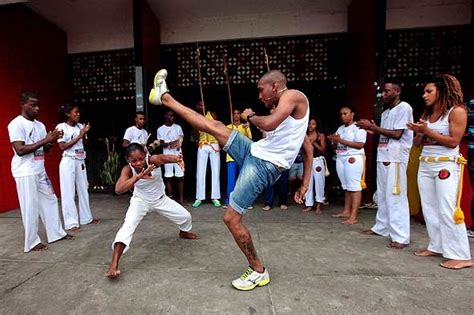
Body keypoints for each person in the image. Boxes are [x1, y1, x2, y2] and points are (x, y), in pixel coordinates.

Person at [149, 69, 312, 291]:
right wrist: (304, 184)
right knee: (214, 126)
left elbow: (269, 124)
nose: (259, 96)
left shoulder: (293, 95)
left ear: (275, 86)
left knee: (231, 218)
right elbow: (307, 148)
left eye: (260, 90)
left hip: (265, 166)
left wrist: (250, 116)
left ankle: (258, 271)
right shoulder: (291, 116)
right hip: (254, 151)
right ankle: (165, 98)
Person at [407, 74, 473, 269]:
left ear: (442, 91)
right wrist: (418, 132)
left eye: (429, 91)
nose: (424, 95)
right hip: (426, 162)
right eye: (424, 92)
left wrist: (428, 131)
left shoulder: (457, 111)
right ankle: (437, 245)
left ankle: (461, 255)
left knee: (447, 208)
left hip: (445, 164)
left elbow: (454, 141)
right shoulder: (428, 115)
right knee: (429, 207)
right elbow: (418, 142)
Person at [106, 143, 198, 278]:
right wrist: (137, 177)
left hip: (160, 199)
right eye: (134, 161)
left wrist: (177, 159)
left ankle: (183, 232)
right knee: (127, 227)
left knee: (186, 216)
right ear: (128, 160)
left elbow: (163, 157)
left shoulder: (152, 161)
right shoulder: (127, 169)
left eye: (141, 159)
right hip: (140, 201)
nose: (138, 163)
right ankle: (113, 265)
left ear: (145, 155)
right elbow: (118, 189)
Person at [7, 91, 73, 252]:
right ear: (22, 104)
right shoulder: (16, 124)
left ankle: (56, 233)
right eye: (33, 105)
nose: (37, 108)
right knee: (30, 206)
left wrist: (52, 140)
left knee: (50, 200)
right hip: (25, 171)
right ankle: (32, 242)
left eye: (38, 105)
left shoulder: (40, 125)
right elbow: (20, 149)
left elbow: (45, 149)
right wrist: (46, 140)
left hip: (39, 169)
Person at [359, 82, 413, 249]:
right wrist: (373, 130)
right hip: (383, 155)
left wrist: (373, 127)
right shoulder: (386, 112)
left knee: (395, 197)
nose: (383, 94)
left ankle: (401, 237)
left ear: (397, 91)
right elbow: (386, 133)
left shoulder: (404, 108)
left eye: (387, 91)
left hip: (396, 158)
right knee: (382, 195)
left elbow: (397, 134)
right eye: (382, 91)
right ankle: (381, 227)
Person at [56, 104, 99, 232]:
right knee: (68, 192)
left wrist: (85, 134)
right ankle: (71, 223)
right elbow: (62, 146)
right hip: (68, 161)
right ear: (68, 114)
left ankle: (86, 218)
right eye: (76, 112)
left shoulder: (80, 126)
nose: (78, 114)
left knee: (83, 189)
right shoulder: (61, 127)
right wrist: (79, 136)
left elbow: (84, 143)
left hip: (80, 160)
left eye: (79, 112)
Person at [328, 106, 367, 225]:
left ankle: (353, 216)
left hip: (353, 157)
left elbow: (360, 144)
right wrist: (333, 141)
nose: (342, 116)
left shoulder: (358, 127)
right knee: (346, 186)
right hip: (340, 157)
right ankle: (346, 211)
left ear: (352, 114)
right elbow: (334, 146)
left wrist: (340, 140)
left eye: (345, 113)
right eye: (341, 114)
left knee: (354, 187)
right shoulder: (340, 128)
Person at [192, 101, 221, 208]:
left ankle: (215, 197)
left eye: (203, 104)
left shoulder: (212, 114)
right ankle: (199, 197)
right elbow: (194, 133)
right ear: (197, 106)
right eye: (199, 105)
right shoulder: (195, 116)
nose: (201, 106)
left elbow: (218, 128)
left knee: (215, 171)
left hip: (214, 144)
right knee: (200, 171)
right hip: (202, 145)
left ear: (206, 106)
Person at [224, 109, 252, 209]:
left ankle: (245, 202)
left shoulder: (245, 126)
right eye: (234, 114)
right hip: (231, 156)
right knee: (231, 181)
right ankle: (228, 202)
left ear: (240, 115)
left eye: (238, 113)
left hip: (242, 157)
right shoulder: (227, 127)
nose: (236, 115)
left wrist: (247, 128)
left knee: (244, 181)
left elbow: (250, 139)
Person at [157, 110, 185, 205]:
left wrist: (177, 143)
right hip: (167, 154)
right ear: (165, 116)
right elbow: (161, 144)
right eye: (170, 115)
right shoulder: (160, 129)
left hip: (177, 154)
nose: (172, 117)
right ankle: (170, 196)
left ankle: (181, 199)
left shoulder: (178, 127)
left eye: (173, 115)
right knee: (168, 176)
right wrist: (171, 143)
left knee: (180, 176)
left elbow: (181, 140)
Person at [303, 117, 327, 213]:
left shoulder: (320, 135)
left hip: (318, 161)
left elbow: (323, 150)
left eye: (313, 124)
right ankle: (308, 204)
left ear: (317, 125)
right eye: (309, 123)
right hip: (308, 161)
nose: (310, 126)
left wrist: (313, 142)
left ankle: (319, 204)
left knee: (319, 182)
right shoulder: (304, 135)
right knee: (308, 183)